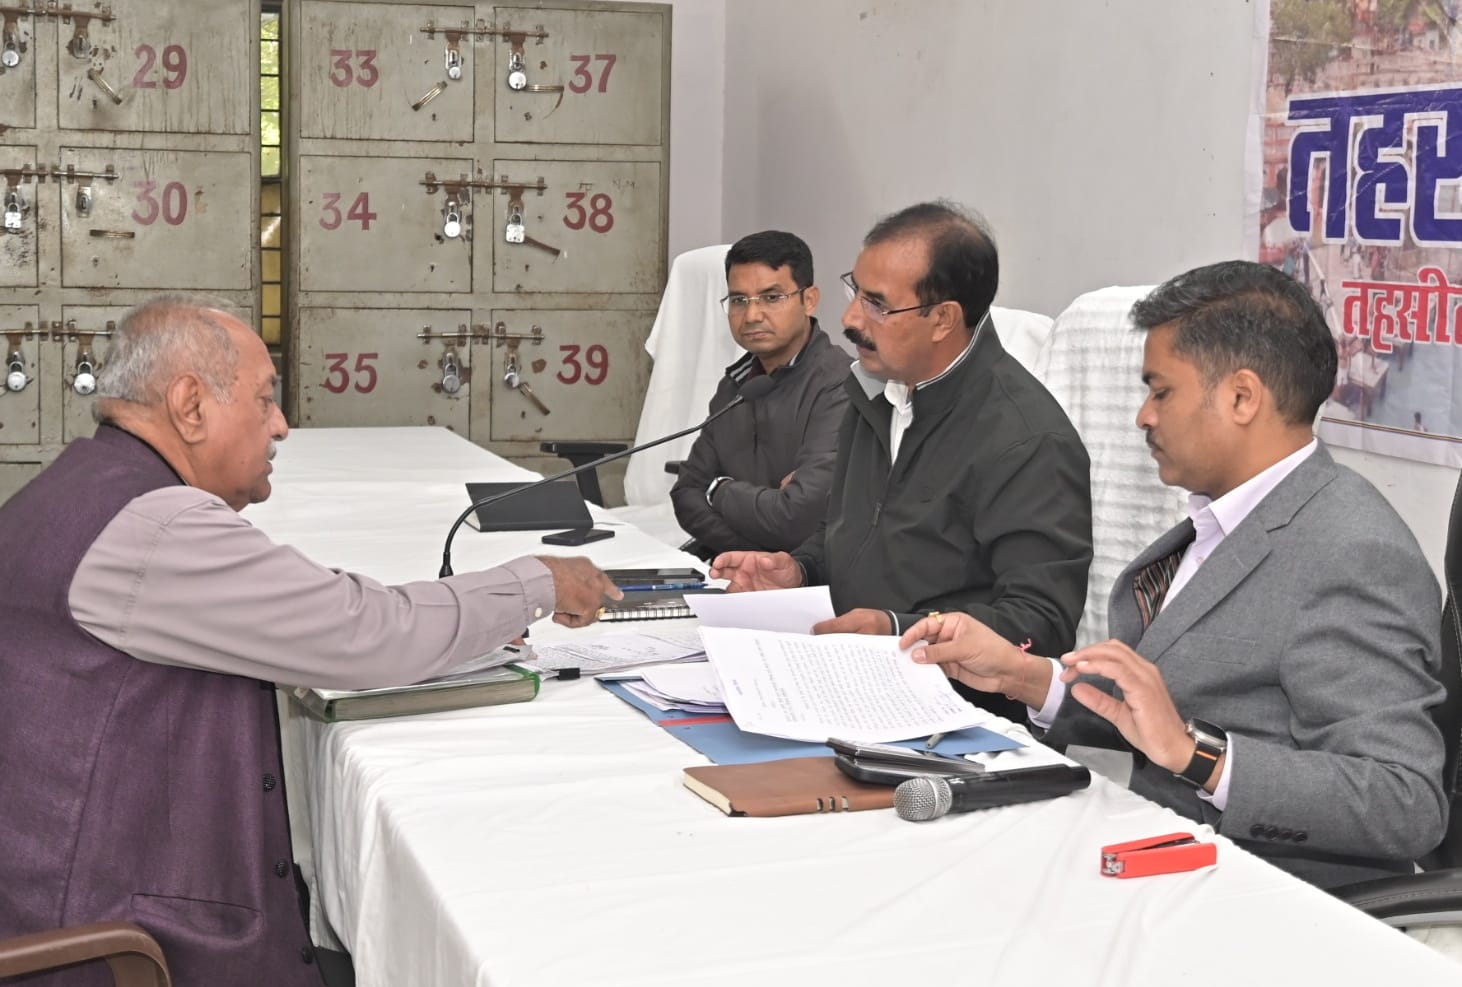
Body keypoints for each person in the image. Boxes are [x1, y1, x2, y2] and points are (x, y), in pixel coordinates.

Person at [0, 296, 620, 985]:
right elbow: (368, 630)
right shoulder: (155, 530)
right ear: (190, 405)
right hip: (108, 948)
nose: (281, 425)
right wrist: (536, 582)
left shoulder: (84, 487)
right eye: (265, 399)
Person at [901, 260, 1447, 888]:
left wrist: (1198, 754)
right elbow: (1158, 706)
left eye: (1161, 391)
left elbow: (1404, 801)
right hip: (1153, 853)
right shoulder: (1223, 521)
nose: (1143, 416)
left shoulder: (1352, 550)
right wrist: (1022, 676)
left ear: (1242, 397)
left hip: (1263, 892)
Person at [711, 201, 1093, 720]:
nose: (849, 319)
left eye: (877, 305)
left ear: (943, 319)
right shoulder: (876, 393)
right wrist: (799, 570)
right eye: (855, 291)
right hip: (847, 683)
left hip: (953, 718)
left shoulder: (1026, 440)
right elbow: (854, 530)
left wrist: (898, 629)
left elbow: (1039, 625)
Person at [670, 230, 851, 560]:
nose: (752, 315)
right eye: (739, 300)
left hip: (812, 580)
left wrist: (718, 489)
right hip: (743, 568)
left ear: (809, 300)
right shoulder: (734, 386)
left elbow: (795, 518)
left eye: (771, 297)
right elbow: (685, 494)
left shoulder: (840, 385)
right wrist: (755, 555)